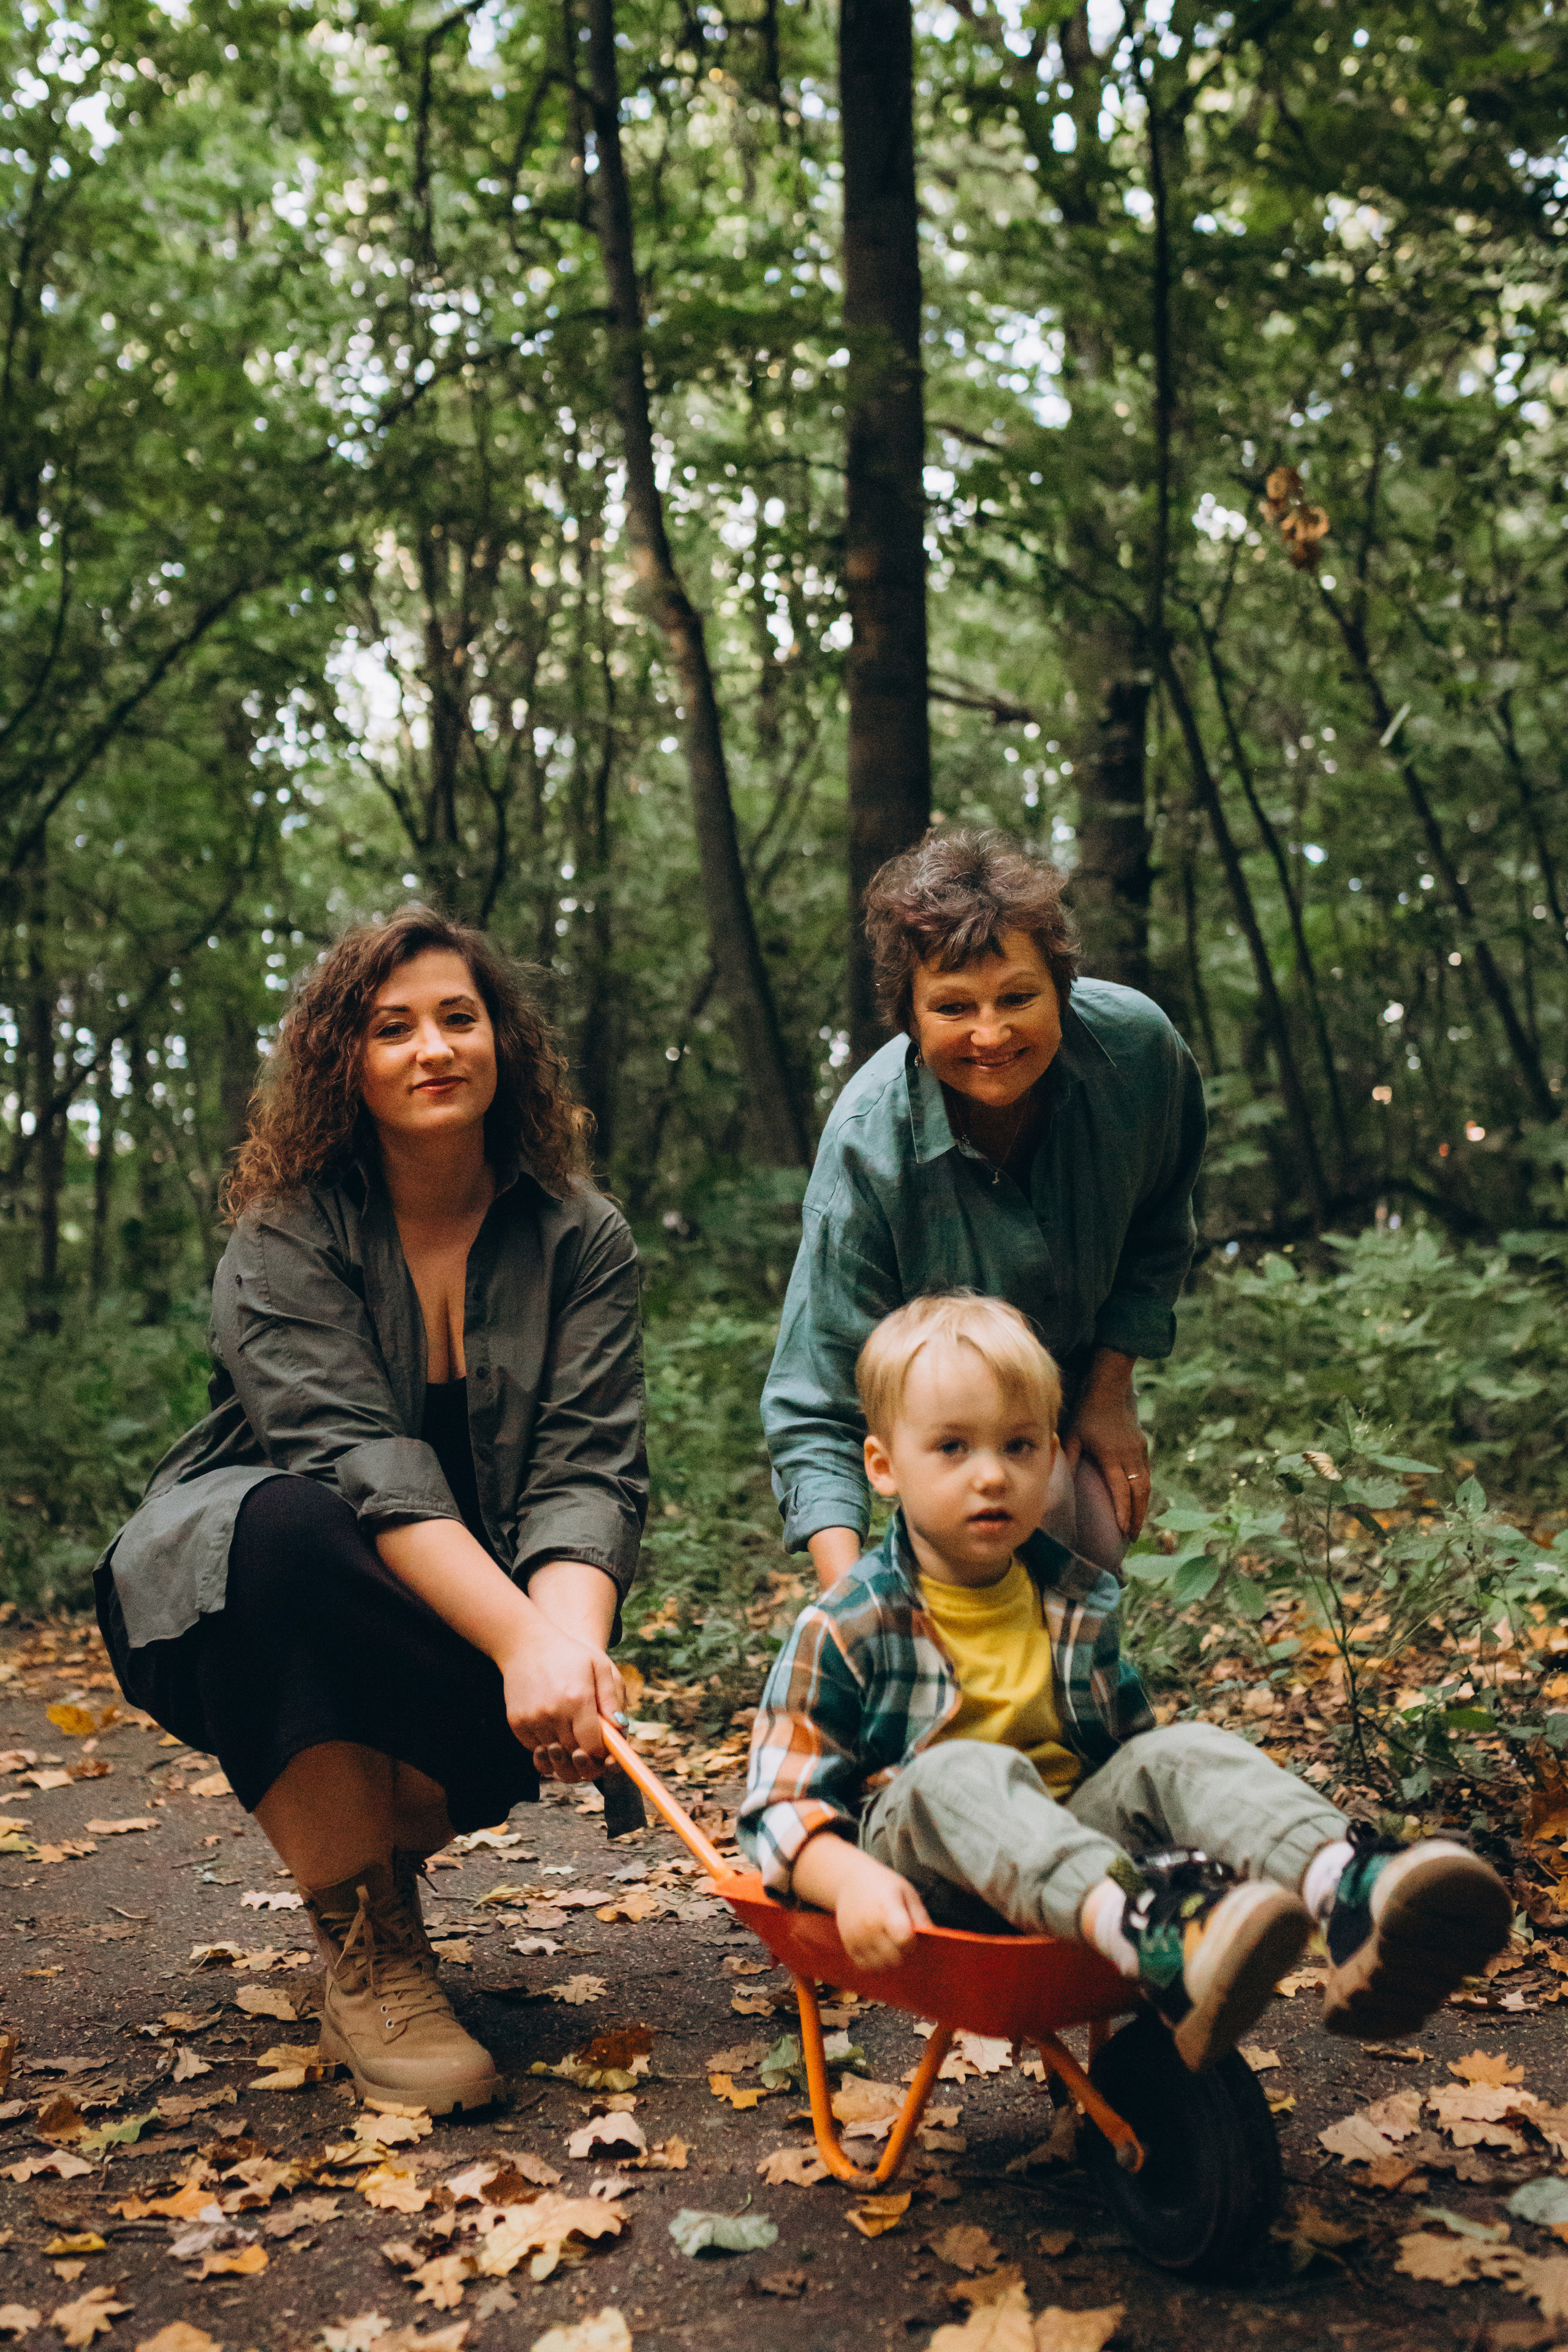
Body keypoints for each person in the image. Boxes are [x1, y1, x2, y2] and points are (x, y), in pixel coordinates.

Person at [96, 908, 646, 2116]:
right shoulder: (286, 1231)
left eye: (458, 1017)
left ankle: (371, 1848)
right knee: (294, 1532)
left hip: (468, 1605)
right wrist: (522, 1644)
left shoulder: (580, 1236)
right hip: (233, 1591)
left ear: (503, 1040)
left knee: (544, 1674)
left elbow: (588, 1472)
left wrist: (564, 1649)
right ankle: (370, 1953)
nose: (431, 1047)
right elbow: (356, 1462)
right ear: (346, 1061)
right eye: (391, 1027)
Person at [739, 1294, 1511, 2068]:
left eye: (1018, 1446)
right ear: (883, 1466)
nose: (991, 1476)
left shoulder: (1068, 1600)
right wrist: (848, 1885)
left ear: (1052, 1458)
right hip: (930, 1874)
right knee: (965, 1767)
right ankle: (1153, 1937)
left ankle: (1349, 1892)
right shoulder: (846, 1625)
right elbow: (779, 1809)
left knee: (1179, 1751)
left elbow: (1132, 1765)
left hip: (1072, 1850)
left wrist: (1199, 1842)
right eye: (951, 1447)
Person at [762, 827, 1207, 1593]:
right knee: (998, 1550)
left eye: (1018, 998)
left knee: (1090, 1535)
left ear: (1061, 988)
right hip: (942, 1429)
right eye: (953, 1007)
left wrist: (1107, 1394)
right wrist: (849, 1607)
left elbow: (1160, 1226)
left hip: (1069, 1381)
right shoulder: (869, 1150)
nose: (991, 1034)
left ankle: (1069, 1688)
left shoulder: (1139, 1057)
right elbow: (816, 1400)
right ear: (908, 1014)